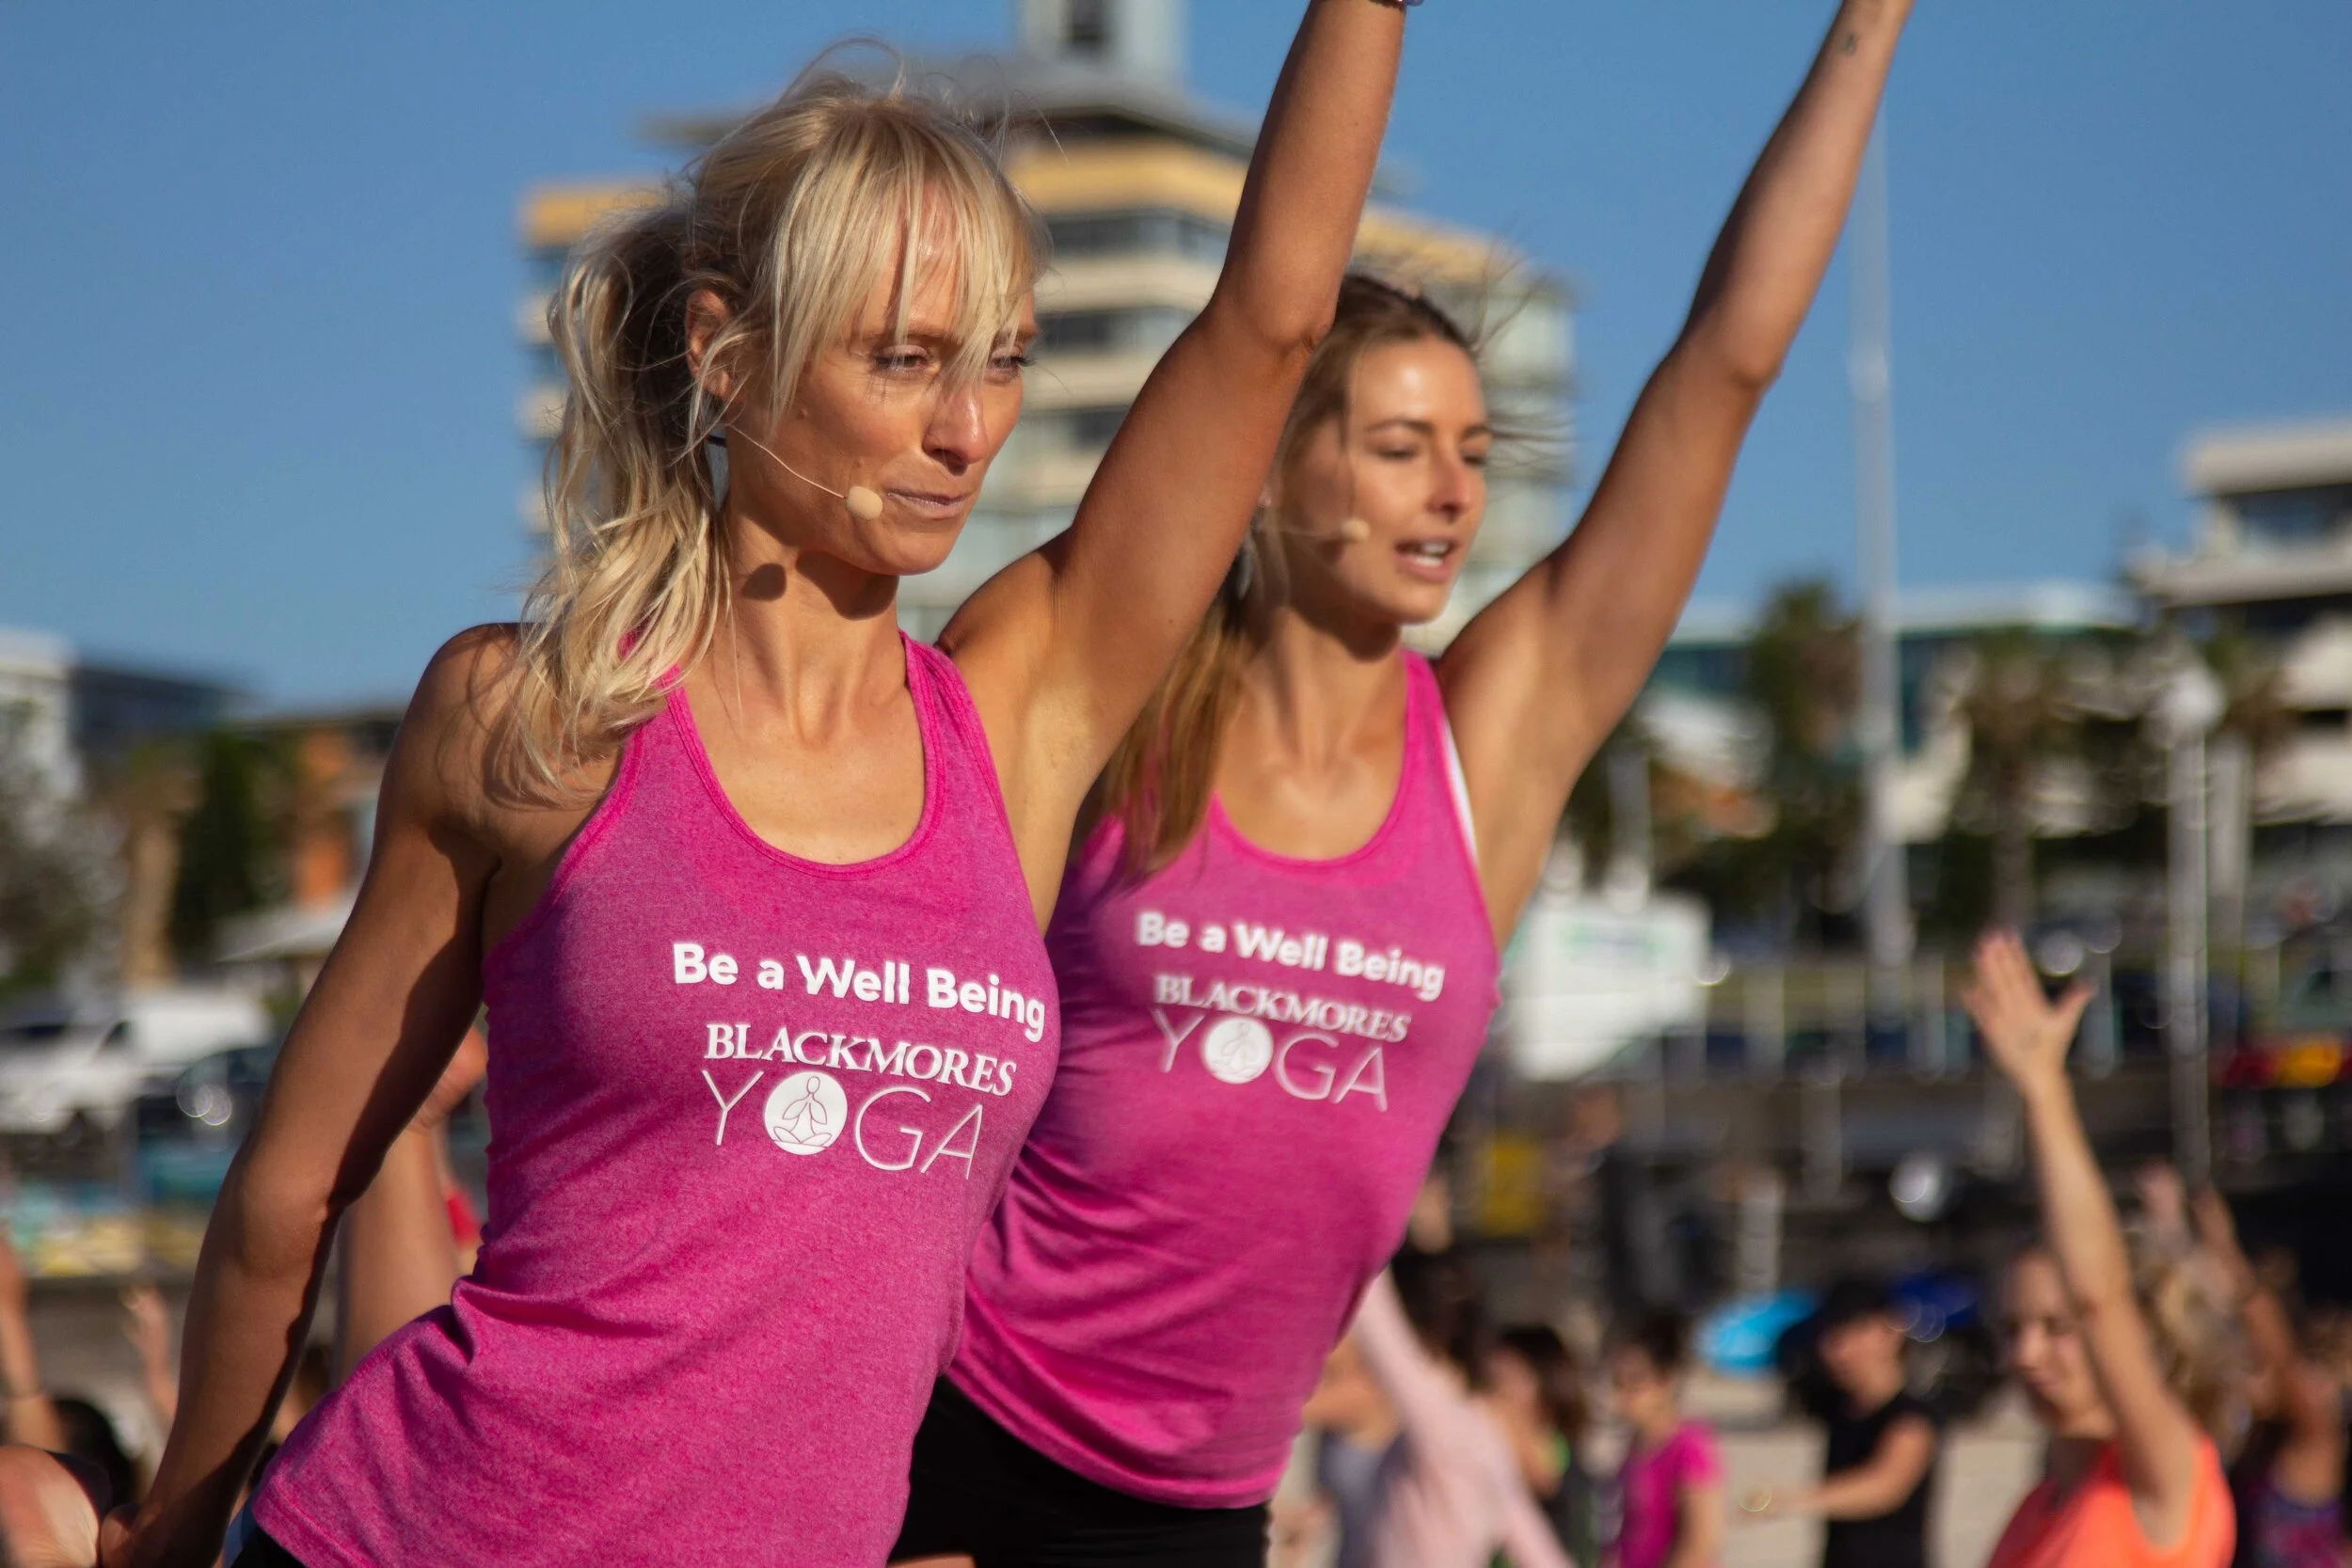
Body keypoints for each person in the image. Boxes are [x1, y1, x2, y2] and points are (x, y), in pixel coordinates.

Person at [1, 7, 1409, 1562]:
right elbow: (294, 1185)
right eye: (905, 359)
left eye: (1001, 360)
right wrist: (175, 1530)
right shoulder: (539, 716)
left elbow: (1270, 326)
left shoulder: (1014, 724)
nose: (966, 429)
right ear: (728, 351)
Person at [894, 4, 1914, 1562]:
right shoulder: (1131, 702)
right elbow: (1265, 314)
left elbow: (1727, 364)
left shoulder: (1489, 741)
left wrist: (1871, 26)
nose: (1451, 491)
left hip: (1209, 1503)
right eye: (1395, 447)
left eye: (1473, 451)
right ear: (1275, 467)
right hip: (961, 1429)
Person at [1963, 930, 2236, 1568]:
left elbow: (2098, 1296)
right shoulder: (2037, 1508)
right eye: (2012, 1329)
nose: (2026, 1354)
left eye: (2056, 1328)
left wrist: (2044, 1090)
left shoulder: (2166, 1473)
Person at [1343, 1251, 1571, 1568]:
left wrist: (1361, 1241)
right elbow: (1543, 1557)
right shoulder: (1487, 1443)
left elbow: (1377, 1319)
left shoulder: (1443, 1420)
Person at [2191, 1187, 2347, 1568]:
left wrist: (2225, 1247)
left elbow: (2281, 1358)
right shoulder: (2252, 1442)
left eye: (2256, 1366)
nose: (2248, 1379)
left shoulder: (2317, 1440)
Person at [1739, 1278, 1939, 1568]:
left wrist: (1789, 1500)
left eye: (1853, 1335)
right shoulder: (1839, 1409)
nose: (1841, 1352)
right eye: (1833, 1338)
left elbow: (1885, 1486)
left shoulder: (1911, 1418)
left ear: (1891, 1331)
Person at [1608, 1310, 1724, 1568]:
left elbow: (1701, 1541)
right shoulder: (1634, 1447)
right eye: (1617, 1383)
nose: (1623, 1397)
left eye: (1634, 1384)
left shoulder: (1688, 1445)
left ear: (1666, 1381)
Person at [1487, 1323, 1599, 1566]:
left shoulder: (1553, 1446)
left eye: (1506, 1378)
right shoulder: (1493, 1441)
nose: (1497, 1391)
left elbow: (1543, 1479)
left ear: (1544, 1382)